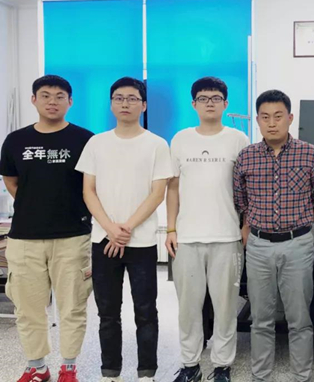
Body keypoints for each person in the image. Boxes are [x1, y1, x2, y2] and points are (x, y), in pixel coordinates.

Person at [75, 77, 173, 382]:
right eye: (119, 98)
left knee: (146, 310)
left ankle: (147, 373)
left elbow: (158, 193)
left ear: (143, 105)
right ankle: (110, 372)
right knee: (107, 311)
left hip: (141, 242)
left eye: (132, 98)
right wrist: (110, 229)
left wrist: (126, 228)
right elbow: (88, 191)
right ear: (111, 104)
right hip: (103, 240)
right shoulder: (97, 143)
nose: (125, 103)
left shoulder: (157, 144)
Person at [0, 75, 94, 382]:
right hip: (25, 237)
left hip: (72, 236)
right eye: (45, 95)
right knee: (28, 307)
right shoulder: (15, 140)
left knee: (72, 306)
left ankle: (69, 366)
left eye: (59, 96)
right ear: (34, 100)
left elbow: (93, 186)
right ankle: (37, 366)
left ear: (70, 101)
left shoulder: (85, 139)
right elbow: (11, 181)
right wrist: (36, 206)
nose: (52, 101)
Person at [233, 89, 314, 382]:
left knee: (299, 317)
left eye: (278, 116)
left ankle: (301, 375)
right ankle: (260, 374)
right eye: (265, 117)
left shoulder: (310, 154)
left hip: (298, 244)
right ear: (258, 121)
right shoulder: (246, 156)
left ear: (290, 118)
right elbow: (241, 200)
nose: (272, 123)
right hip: (259, 246)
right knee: (261, 318)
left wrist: (299, 224)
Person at [167, 77, 249, 382]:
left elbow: (247, 187)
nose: (209, 103)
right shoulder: (181, 139)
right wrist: (170, 229)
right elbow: (173, 188)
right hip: (187, 237)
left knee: (226, 307)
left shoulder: (238, 139)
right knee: (188, 308)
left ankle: (222, 365)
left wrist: (246, 225)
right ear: (194, 104)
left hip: (227, 237)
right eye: (203, 98)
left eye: (216, 98)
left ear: (226, 104)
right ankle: (190, 365)